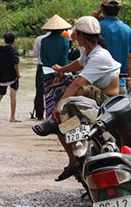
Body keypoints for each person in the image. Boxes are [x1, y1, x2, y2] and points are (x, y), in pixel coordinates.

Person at [33, 16, 121, 181]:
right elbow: (80, 63)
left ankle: (67, 123)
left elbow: (79, 82)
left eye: (75, 32)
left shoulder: (99, 55)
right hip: (96, 93)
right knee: (60, 123)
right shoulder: (87, 50)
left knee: (77, 92)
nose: (72, 34)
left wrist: (58, 107)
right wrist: (62, 69)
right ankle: (73, 159)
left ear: (81, 35)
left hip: (109, 98)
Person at [92, 0, 131, 94]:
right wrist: (128, 78)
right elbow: (130, 57)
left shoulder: (96, 27)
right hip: (120, 84)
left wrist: (92, 19)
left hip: (99, 84)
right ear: (120, 8)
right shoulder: (127, 30)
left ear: (101, 7)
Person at [39, 14, 71, 118]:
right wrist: (59, 71)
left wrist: (52, 68)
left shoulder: (44, 41)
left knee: (48, 96)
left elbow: (43, 58)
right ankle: (59, 118)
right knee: (61, 97)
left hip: (47, 73)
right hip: (62, 73)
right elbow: (64, 58)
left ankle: (49, 118)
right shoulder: (65, 41)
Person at [0, 32, 21, 122]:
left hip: (3, 75)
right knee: (13, 96)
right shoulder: (14, 51)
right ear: (14, 41)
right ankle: (12, 117)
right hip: (12, 76)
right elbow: (15, 63)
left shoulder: (2, 50)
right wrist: (18, 74)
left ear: (4, 40)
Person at [32, 27, 51, 120]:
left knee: (39, 91)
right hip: (55, 67)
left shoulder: (39, 39)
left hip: (41, 66)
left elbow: (35, 54)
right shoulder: (63, 39)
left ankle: (39, 114)